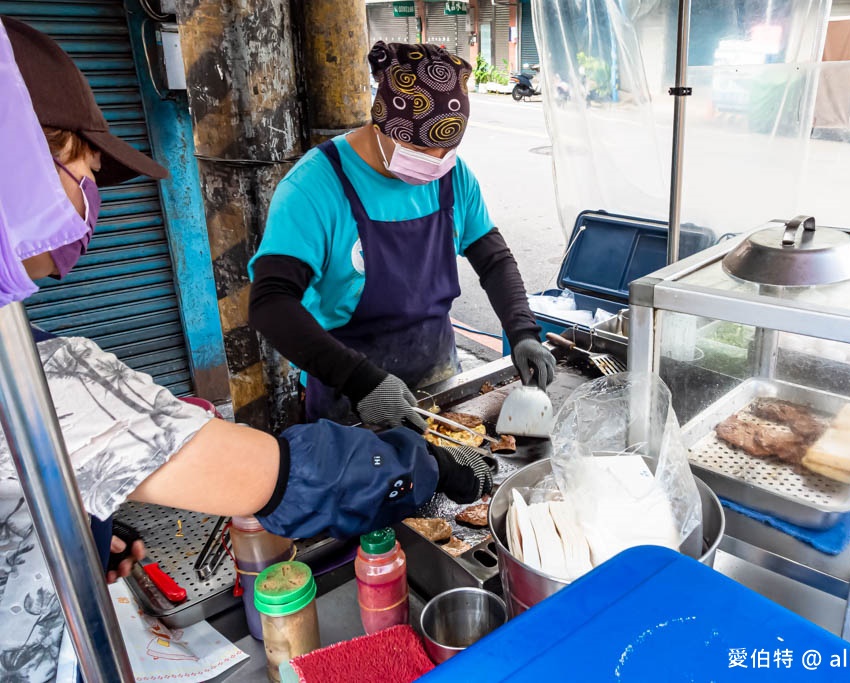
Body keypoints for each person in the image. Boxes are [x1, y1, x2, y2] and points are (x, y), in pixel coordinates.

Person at [0, 18, 491, 680]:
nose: (91, 200)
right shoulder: (43, 379)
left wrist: (69, 534)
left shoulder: (21, 354)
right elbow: (279, 476)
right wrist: (422, 463)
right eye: (80, 166)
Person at [249, 41, 556, 428]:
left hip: (439, 379)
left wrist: (522, 332)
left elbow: (493, 260)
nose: (433, 162)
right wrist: (361, 382)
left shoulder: (453, 176)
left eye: (445, 149)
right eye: (418, 146)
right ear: (383, 126)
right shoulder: (313, 187)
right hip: (351, 399)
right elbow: (271, 303)